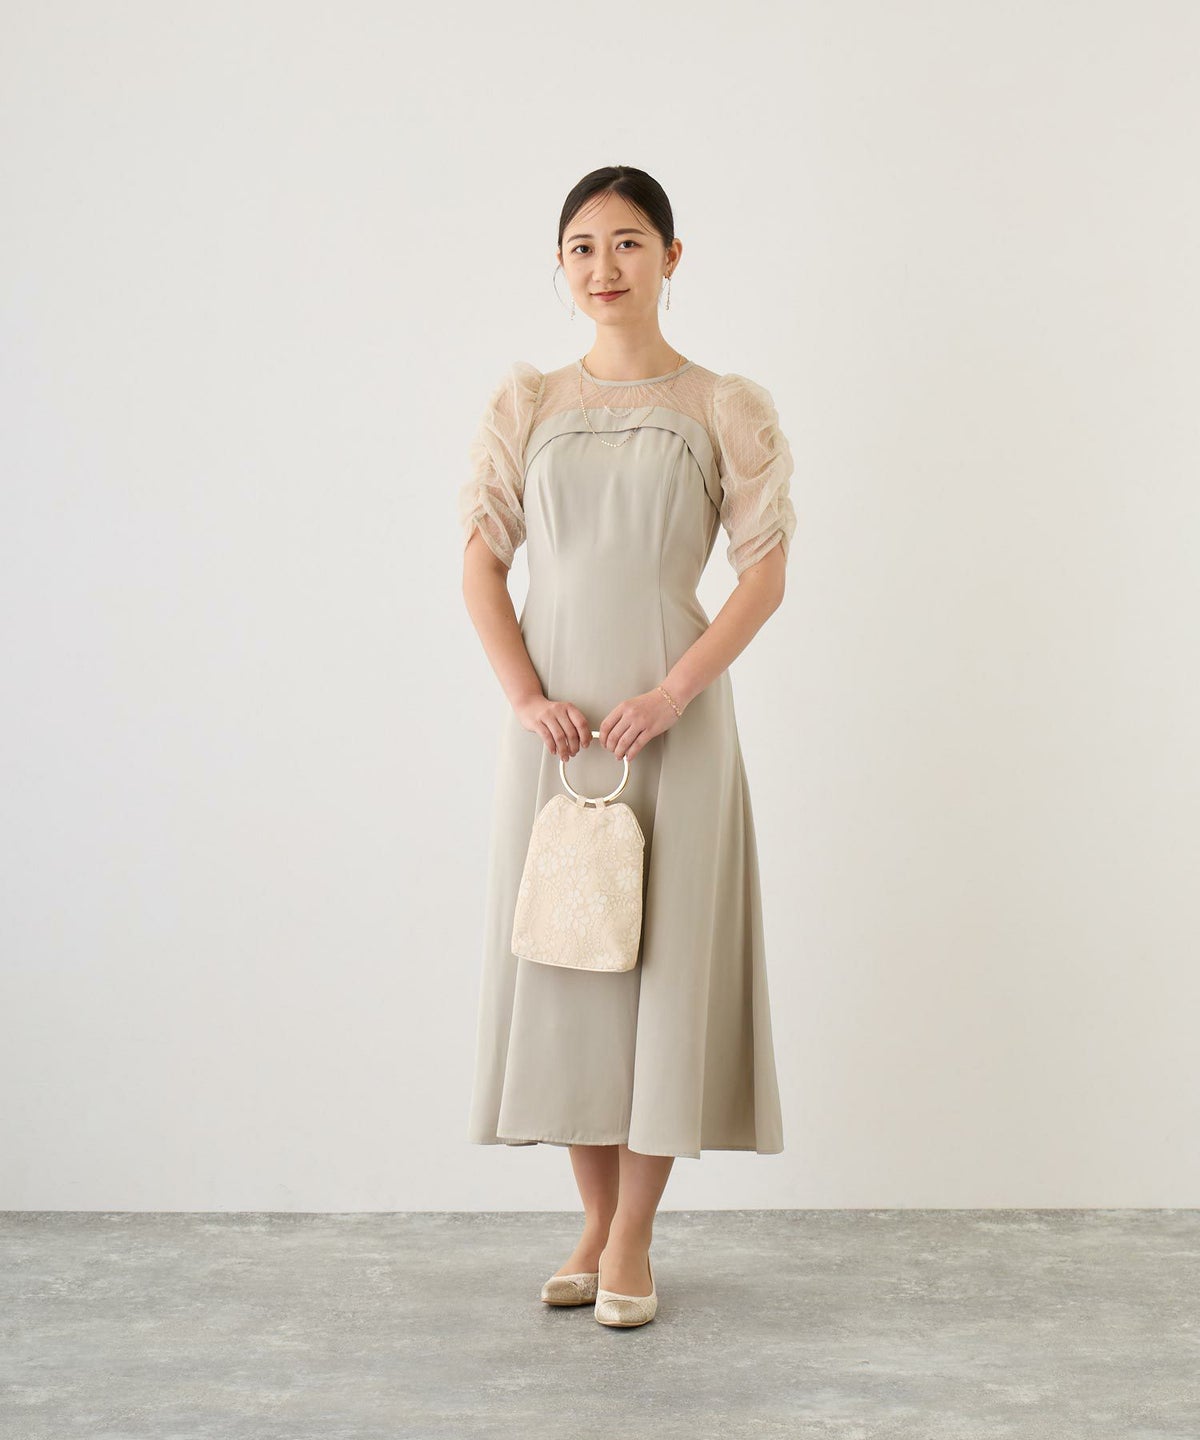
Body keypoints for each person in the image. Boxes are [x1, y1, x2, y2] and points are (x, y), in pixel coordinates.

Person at [458, 165, 797, 1328]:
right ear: (560, 267)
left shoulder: (721, 404)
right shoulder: (527, 404)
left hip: (672, 723)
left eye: (629, 242)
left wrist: (674, 691)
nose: (604, 267)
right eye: (582, 247)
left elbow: (763, 575)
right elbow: (479, 566)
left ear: (671, 257)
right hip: (559, 731)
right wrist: (525, 697)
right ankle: (592, 1224)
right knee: (569, 968)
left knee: (663, 966)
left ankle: (635, 1236)